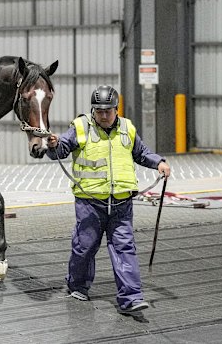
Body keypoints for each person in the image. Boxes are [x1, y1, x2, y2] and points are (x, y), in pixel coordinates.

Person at [46, 85, 171, 314]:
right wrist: (53, 144)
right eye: (99, 111)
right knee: (84, 247)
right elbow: (60, 150)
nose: (103, 115)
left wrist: (159, 163)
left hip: (122, 202)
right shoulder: (80, 127)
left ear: (116, 109)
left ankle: (131, 298)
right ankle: (77, 284)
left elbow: (141, 153)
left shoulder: (127, 128)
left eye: (108, 111)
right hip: (90, 202)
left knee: (125, 248)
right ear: (93, 110)